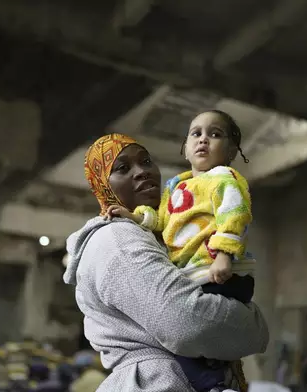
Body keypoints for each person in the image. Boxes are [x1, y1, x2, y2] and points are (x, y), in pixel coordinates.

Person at [63, 133, 269, 392]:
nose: (142, 172)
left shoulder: (162, 235)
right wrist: (255, 326)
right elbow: (188, 323)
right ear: (103, 184)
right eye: (123, 168)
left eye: (146, 161)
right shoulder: (117, 237)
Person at [105, 110, 255, 391]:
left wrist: (224, 256)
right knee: (198, 346)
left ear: (232, 151)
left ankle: (214, 386)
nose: (203, 140)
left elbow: (234, 216)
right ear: (185, 149)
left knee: (183, 342)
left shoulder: (225, 179)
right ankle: (220, 380)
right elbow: (162, 221)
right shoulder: (176, 186)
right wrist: (135, 217)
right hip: (196, 274)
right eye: (195, 133)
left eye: (215, 134)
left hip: (221, 271)